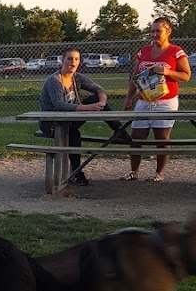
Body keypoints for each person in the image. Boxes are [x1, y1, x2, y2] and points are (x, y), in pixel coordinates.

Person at [123, 17, 191, 181]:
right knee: (136, 137)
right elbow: (135, 77)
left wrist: (168, 72)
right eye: (152, 31)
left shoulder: (175, 51)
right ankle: (134, 172)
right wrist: (129, 98)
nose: (154, 34)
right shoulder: (144, 51)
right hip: (144, 99)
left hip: (165, 101)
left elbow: (186, 75)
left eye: (158, 31)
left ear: (168, 32)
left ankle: (159, 173)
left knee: (161, 138)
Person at [39, 49, 116, 186]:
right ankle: (76, 172)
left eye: (76, 59)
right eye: (69, 58)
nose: (72, 62)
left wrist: (102, 103)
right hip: (52, 122)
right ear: (62, 60)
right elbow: (60, 105)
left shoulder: (77, 77)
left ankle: (119, 132)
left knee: (94, 99)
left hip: (69, 118)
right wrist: (89, 108)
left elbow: (99, 90)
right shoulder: (55, 80)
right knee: (73, 133)